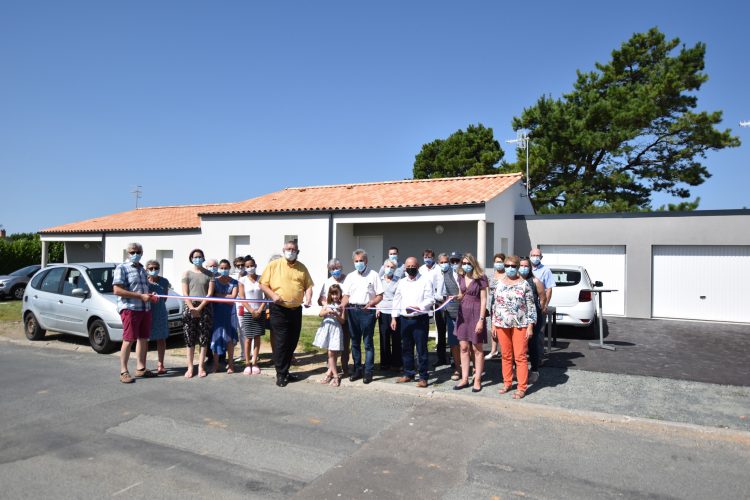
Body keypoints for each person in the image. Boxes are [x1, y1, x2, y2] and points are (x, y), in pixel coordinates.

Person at [259, 240, 314, 387]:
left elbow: (308, 286)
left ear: (298, 252)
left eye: (293, 249)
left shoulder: (302, 268)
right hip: (279, 309)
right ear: (283, 250)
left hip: (296, 310)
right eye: (288, 249)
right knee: (281, 342)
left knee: (292, 341)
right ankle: (280, 374)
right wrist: (273, 295)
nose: (291, 251)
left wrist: (308, 298)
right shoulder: (274, 265)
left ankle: (286, 370)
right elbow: (262, 284)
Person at [493, 255, 537, 399]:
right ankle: (507, 382)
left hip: (520, 324)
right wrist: (494, 323)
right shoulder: (499, 283)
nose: (510, 269)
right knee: (505, 355)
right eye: (507, 266)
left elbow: (531, 307)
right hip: (501, 324)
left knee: (520, 356)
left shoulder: (525, 284)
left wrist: (530, 326)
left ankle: (522, 387)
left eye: (513, 266)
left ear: (517, 267)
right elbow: (495, 304)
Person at [114, 242, 155, 383]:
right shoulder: (122, 268)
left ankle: (141, 368)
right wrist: (140, 296)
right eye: (132, 252)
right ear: (128, 253)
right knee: (128, 339)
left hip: (145, 308)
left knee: (143, 338)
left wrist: (150, 295)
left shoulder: (143, 269)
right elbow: (117, 290)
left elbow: (143, 289)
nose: (135, 254)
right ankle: (123, 371)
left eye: (138, 252)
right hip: (130, 308)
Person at [341, 249, 383, 384]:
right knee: (354, 342)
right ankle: (357, 369)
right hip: (353, 310)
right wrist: (342, 305)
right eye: (356, 261)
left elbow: (380, 295)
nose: (359, 263)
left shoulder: (374, 275)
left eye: (361, 261)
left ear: (366, 261)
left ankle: (368, 372)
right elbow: (346, 295)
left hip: (367, 311)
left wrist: (372, 302)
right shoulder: (350, 276)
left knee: (368, 343)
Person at [392, 257, 434, 388]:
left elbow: (430, 299)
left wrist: (419, 307)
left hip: (420, 319)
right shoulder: (402, 282)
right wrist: (394, 317)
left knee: (421, 349)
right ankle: (408, 373)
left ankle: (423, 377)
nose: (410, 268)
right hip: (405, 320)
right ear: (405, 267)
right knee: (406, 348)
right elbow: (396, 299)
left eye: (413, 266)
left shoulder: (425, 281)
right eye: (408, 266)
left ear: (418, 266)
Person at [453, 253, 488, 393]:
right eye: (464, 263)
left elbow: (484, 300)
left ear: (474, 264)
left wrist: (481, 320)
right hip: (462, 315)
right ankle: (465, 378)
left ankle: (477, 379)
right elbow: (462, 293)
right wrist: (458, 297)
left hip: (475, 314)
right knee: (463, 348)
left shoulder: (481, 278)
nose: (466, 265)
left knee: (477, 349)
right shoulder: (461, 276)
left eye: (469, 263)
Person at [182, 248, 215, 379]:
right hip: (190, 307)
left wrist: (200, 308)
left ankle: (201, 366)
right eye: (195, 257)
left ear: (203, 258)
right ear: (191, 258)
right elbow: (185, 293)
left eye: (200, 256)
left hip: (205, 307)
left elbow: (210, 294)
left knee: (203, 338)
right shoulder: (186, 274)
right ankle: (190, 367)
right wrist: (191, 308)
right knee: (189, 338)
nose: (197, 258)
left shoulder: (209, 274)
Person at [318, 258, 350, 376]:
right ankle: (331, 368)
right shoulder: (327, 282)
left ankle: (345, 367)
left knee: (345, 343)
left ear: (341, 268)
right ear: (329, 270)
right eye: (332, 269)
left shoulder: (347, 279)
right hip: (330, 318)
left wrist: (341, 306)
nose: (335, 270)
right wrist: (327, 306)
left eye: (337, 268)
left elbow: (349, 295)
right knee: (331, 345)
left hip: (343, 315)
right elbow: (322, 297)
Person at [520, 257, 547, 385]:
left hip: (533, 317)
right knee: (520, 345)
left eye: (526, 266)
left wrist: (539, 310)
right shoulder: (516, 281)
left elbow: (543, 297)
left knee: (532, 344)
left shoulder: (535, 281)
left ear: (530, 268)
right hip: (519, 318)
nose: (523, 268)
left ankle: (535, 370)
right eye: (521, 266)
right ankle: (519, 370)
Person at [313, 284, 346, 387]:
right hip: (327, 329)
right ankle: (331, 374)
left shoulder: (341, 305)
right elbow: (320, 314)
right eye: (332, 294)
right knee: (331, 353)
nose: (335, 296)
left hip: (336, 330)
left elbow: (343, 321)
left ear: (340, 294)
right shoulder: (327, 303)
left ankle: (334, 376)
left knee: (332, 353)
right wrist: (327, 310)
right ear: (330, 295)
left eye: (336, 294)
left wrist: (336, 314)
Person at [210, 259, 239, 374]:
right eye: (221, 268)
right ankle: (216, 365)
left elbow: (233, 297)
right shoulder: (214, 281)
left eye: (226, 268)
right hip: (217, 313)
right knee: (216, 338)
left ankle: (231, 364)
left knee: (230, 339)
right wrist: (225, 297)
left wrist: (219, 295)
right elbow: (212, 295)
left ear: (229, 268)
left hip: (230, 314)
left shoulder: (234, 282)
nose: (224, 270)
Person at [239, 257, 265, 375]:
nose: (250, 268)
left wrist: (259, 309)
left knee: (257, 337)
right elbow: (242, 298)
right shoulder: (242, 280)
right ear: (245, 267)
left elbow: (267, 297)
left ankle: (255, 362)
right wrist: (251, 310)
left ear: (255, 265)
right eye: (247, 266)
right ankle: (247, 363)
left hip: (260, 312)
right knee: (248, 338)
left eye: (251, 265)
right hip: (248, 312)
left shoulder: (262, 279)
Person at [145, 259, 170, 375]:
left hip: (160, 312)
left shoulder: (164, 281)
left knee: (161, 338)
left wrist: (158, 298)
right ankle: (142, 365)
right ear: (147, 270)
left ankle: (161, 364)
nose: (153, 270)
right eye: (151, 268)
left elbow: (165, 298)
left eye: (156, 268)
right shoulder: (144, 282)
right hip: (147, 312)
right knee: (144, 339)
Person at [377, 258, 401, 372]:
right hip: (382, 313)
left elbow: (398, 299)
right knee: (384, 337)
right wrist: (377, 307)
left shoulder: (398, 281)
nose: (389, 269)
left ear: (395, 269)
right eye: (387, 266)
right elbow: (375, 295)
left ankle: (396, 363)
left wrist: (394, 317)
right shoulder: (379, 280)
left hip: (394, 313)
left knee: (396, 338)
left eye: (392, 267)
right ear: (384, 267)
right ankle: (384, 363)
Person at [441, 252, 462, 380]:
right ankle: (458, 369)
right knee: (454, 343)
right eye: (452, 261)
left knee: (468, 343)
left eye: (457, 261)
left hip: (466, 313)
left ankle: (474, 368)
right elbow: (442, 293)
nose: (455, 264)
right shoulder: (446, 275)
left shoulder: (468, 274)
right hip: (451, 313)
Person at [485, 253, 506, 360]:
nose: (498, 264)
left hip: (503, 305)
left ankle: (504, 350)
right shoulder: (491, 275)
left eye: (500, 262)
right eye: (496, 262)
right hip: (492, 304)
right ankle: (493, 350)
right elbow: (487, 290)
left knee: (502, 328)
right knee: (493, 327)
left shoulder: (507, 275)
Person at [433, 252, 452, 367]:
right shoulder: (434, 273)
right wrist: (439, 299)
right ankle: (441, 358)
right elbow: (431, 289)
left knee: (453, 332)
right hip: (439, 304)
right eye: (442, 262)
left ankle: (454, 358)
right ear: (438, 263)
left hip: (451, 305)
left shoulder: (453, 273)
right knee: (440, 332)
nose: (444, 264)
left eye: (446, 262)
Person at [232, 256, 247, 361]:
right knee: (241, 330)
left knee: (250, 330)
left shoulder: (250, 276)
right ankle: (244, 354)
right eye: (238, 265)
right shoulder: (233, 277)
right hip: (238, 306)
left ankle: (252, 354)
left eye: (242, 265)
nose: (241, 267)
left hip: (249, 305)